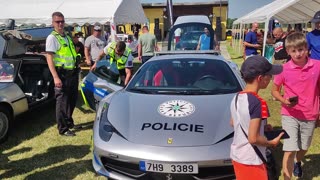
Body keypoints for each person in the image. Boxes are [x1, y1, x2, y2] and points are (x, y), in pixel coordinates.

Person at [271, 32, 320, 179]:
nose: (298, 54)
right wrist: (284, 100)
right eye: (293, 51)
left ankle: (298, 162)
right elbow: (274, 91)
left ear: (307, 49)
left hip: (310, 113)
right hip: (289, 114)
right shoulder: (283, 69)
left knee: (303, 146)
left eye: (301, 50)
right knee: (289, 149)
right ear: (288, 52)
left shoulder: (317, 66)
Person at [230, 55, 283, 180]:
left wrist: (262, 127)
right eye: (269, 75)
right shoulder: (257, 102)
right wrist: (271, 143)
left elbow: (234, 122)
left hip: (237, 156)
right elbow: (253, 139)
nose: (271, 78)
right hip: (252, 159)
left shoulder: (237, 97)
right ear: (260, 78)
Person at [45, 12, 81, 137]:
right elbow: (49, 58)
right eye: (57, 21)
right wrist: (55, 77)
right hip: (62, 75)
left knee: (72, 100)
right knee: (62, 102)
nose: (60, 24)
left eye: (62, 21)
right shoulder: (52, 38)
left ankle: (69, 122)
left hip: (72, 73)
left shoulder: (66, 36)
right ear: (53, 23)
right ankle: (63, 128)